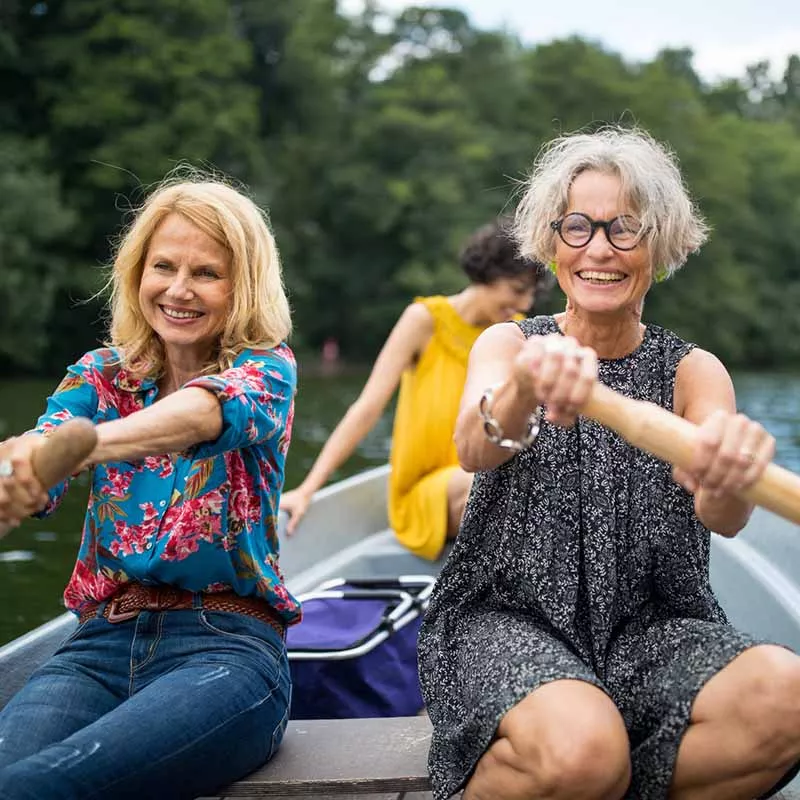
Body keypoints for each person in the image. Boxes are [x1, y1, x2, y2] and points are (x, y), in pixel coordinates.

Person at [417, 127, 800, 800]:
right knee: (585, 752)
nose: (599, 248)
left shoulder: (693, 370)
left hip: (652, 627)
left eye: (625, 229)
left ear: (661, 244)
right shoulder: (509, 343)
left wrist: (730, 470)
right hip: (506, 619)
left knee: (787, 700)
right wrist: (525, 390)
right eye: (578, 227)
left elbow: (726, 516)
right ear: (551, 239)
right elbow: (474, 447)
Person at [0, 175, 298, 800]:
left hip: (227, 651)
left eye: (206, 273)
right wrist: (19, 470)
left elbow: (203, 414)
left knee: (45, 787)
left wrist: (90, 447)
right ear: (137, 274)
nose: (179, 290)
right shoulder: (100, 374)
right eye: (163, 266)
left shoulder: (267, 368)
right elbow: (43, 445)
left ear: (241, 287)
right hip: (98, 642)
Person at [280, 221, 550, 559]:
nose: (523, 301)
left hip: (484, 469)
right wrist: (307, 489)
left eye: (530, 293)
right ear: (487, 273)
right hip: (426, 492)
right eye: (516, 288)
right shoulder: (424, 319)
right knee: (488, 484)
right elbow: (367, 407)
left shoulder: (513, 332)